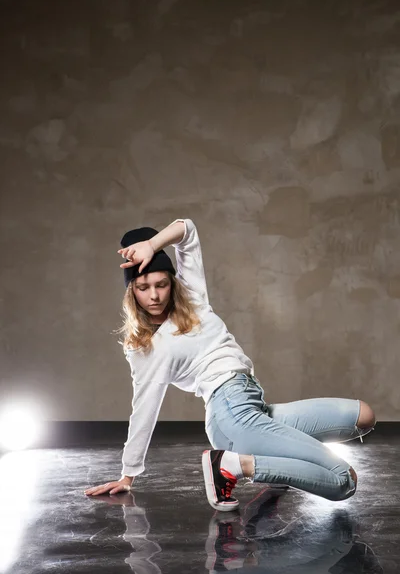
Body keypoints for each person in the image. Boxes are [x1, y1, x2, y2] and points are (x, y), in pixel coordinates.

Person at [84, 219, 376, 511]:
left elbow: (187, 230)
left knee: (363, 416)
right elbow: (144, 408)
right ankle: (232, 466)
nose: (154, 295)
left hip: (253, 403)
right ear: (131, 293)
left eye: (161, 284)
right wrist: (128, 474)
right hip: (230, 415)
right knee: (343, 479)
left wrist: (152, 244)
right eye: (143, 287)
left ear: (172, 283)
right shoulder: (145, 348)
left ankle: (272, 463)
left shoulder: (193, 299)